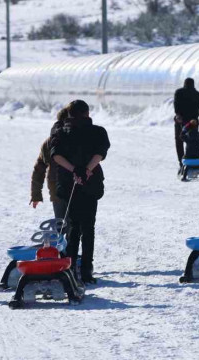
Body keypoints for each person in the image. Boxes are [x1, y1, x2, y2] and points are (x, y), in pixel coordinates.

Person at [50, 100, 110, 284]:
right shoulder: (98, 131)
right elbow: (100, 153)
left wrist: (74, 170)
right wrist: (87, 170)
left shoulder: (61, 132)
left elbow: (56, 155)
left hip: (69, 184)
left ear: (69, 114)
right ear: (87, 112)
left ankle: (70, 267)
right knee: (89, 227)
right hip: (91, 183)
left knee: (73, 227)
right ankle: (86, 269)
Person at [31, 108, 70, 219]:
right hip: (71, 188)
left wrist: (36, 195)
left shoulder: (48, 141)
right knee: (71, 226)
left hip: (55, 189)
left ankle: (62, 235)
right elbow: (39, 168)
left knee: (62, 224)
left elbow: (39, 169)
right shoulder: (76, 139)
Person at [173, 78, 199, 165]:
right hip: (193, 122)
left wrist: (178, 115)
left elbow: (176, 105)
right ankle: (195, 159)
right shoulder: (197, 94)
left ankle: (182, 162)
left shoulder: (178, 92)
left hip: (181, 121)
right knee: (194, 140)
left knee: (180, 140)